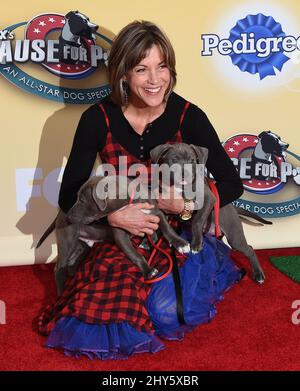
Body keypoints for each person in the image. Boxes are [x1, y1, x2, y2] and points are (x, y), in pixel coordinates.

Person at [38, 20, 244, 360]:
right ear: (122, 73)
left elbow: (231, 184)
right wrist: (114, 216)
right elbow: (68, 196)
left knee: (165, 313)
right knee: (96, 313)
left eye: (162, 66)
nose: (154, 80)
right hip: (121, 234)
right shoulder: (97, 119)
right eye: (141, 69)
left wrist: (185, 208)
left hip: (178, 234)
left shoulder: (189, 117)